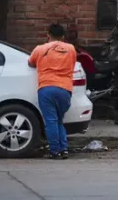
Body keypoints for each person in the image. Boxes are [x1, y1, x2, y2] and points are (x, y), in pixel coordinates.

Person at [27, 24, 77, 159]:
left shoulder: (40, 49)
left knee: (51, 121)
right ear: (63, 37)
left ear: (48, 34)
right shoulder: (71, 49)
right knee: (59, 120)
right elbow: (72, 64)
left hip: (47, 87)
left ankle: (55, 151)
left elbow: (31, 63)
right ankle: (64, 149)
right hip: (65, 89)